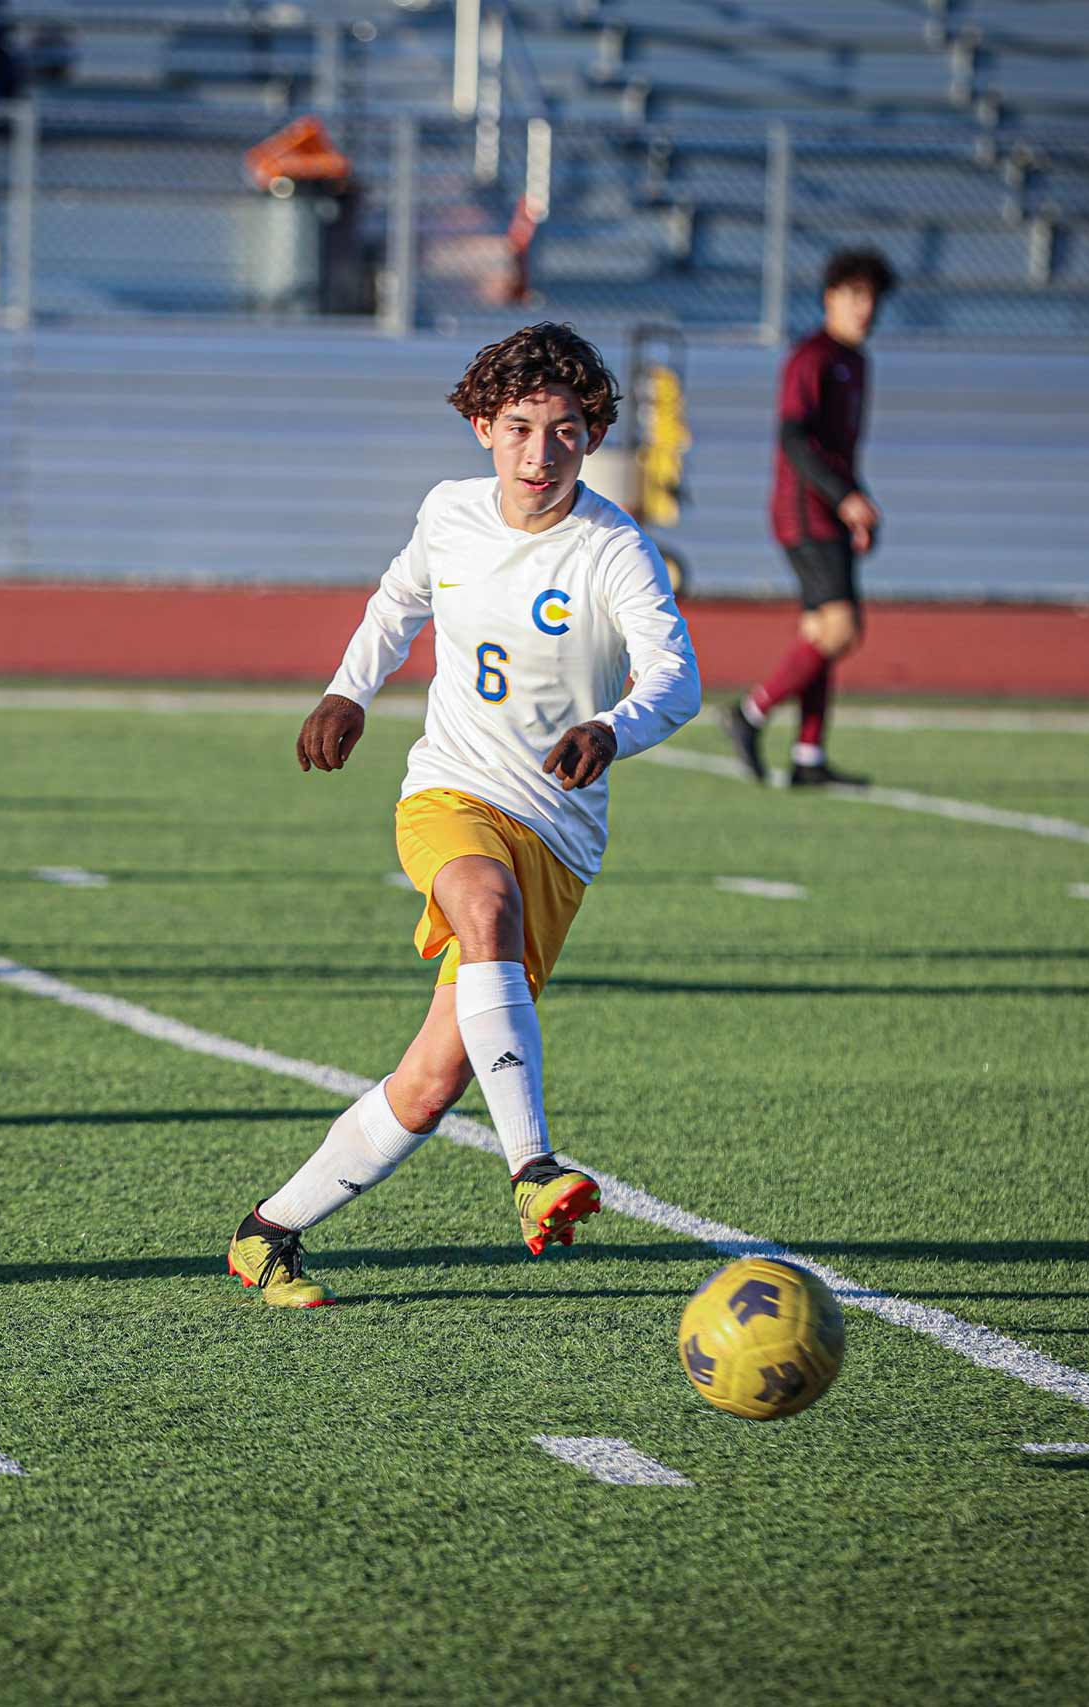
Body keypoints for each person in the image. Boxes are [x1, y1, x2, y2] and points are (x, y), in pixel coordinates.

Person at [221, 323, 700, 1308]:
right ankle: (533, 1170)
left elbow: (677, 677)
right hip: (449, 796)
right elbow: (397, 604)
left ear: (591, 436)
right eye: (520, 428)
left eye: (565, 432)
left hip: (558, 835)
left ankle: (266, 1233)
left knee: (432, 1083)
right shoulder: (448, 512)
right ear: (482, 426)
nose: (540, 454)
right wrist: (348, 690)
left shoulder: (612, 548)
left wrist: (613, 727)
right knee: (481, 904)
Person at [723, 247, 893, 788]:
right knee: (842, 629)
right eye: (854, 295)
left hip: (833, 509)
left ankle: (809, 756)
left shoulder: (856, 361)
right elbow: (794, 437)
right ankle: (751, 713)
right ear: (830, 298)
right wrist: (843, 497)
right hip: (805, 511)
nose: (864, 308)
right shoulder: (812, 357)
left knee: (821, 631)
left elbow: (841, 449)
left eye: (872, 298)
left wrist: (856, 500)